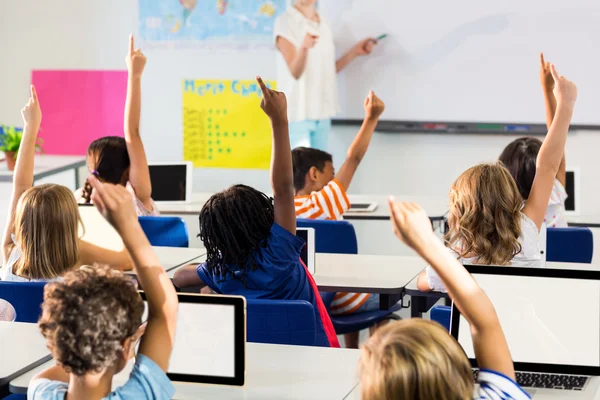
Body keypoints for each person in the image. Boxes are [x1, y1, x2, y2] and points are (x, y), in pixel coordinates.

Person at [172, 76, 339, 347]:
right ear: (262, 216)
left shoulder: (220, 271)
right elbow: (284, 190)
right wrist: (279, 120)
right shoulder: (278, 255)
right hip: (313, 356)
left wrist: (207, 269)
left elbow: (180, 278)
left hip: (253, 366)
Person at [418, 63, 577, 292]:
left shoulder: (451, 260)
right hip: (522, 328)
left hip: (470, 330)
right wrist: (566, 105)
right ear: (508, 194)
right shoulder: (525, 234)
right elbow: (548, 167)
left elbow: (422, 284)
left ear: (460, 210)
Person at [359, 199, 530, 400]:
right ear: (461, 371)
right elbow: (485, 322)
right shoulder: (500, 396)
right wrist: (426, 242)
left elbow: (484, 323)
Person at [28, 177, 179, 400]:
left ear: (55, 349)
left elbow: (38, 380)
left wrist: (102, 349)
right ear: (125, 349)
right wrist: (128, 224)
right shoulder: (138, 396)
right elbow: (164, 312)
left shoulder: (41, 393)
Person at [1, 86, 131, 282]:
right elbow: (128, 260)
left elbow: (20, 187)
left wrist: (30, 128)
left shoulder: (10, 255)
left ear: (21, 222)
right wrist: (125, 220)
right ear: (72, 221)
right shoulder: (77, 252)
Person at [293, 90, 384, 348]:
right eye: (330, 174)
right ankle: (368, 356)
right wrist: (372, 117)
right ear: (314, 174)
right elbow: (353, 158)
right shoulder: (323, 201)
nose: (334, 181)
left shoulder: (279, 210)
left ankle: (350, 351)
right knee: (389, 295)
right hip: (344, 301)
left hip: (306, 299)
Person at [274, 0, 378, 150]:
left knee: (320, 171)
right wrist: (303, 48)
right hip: (298, 114)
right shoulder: (284, 21)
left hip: (322, 112)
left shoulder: (324, 23)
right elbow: (295, 72)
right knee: (300, 172)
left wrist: (354, 52)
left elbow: (328, 71)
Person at [76, 35, 158, 216]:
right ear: (130, 170)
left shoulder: (78, 200)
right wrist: (134, 75)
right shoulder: (133, 201)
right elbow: (132, 133)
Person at [499, 53, 568, 228]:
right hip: (560, 257)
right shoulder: (555, 191)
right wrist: (548, 90)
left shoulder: (505, 214)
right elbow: (556, 134)